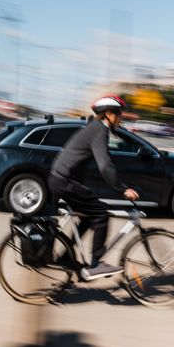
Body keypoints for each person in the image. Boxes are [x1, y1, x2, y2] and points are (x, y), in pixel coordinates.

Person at [48, 95, 139, 280]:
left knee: (89, 217)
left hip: (60, 180)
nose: (121, 118)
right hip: (64, 181)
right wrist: (122, 189)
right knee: (101, 215)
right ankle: (96, 265)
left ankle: (66, 257)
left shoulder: (93, 128)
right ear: (108, 114)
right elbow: (105, 165)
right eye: (118, 114)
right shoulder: (99, 130)